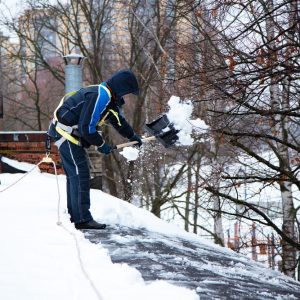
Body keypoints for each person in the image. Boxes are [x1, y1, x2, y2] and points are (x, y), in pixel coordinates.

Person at [48, 69, 142, 230]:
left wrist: (132, 136)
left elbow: (118, 120)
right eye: (126, 92)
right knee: (80, 174)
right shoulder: (101, 95)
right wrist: (101, 144)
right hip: (65, 134)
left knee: (75, 175)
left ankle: (75, 214)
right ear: (120, 88)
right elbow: (86, 128)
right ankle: (82, 219)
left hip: (67, 134)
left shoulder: (107, 98)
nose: (125, 97)